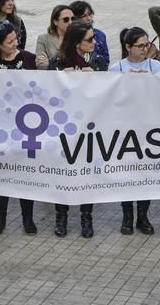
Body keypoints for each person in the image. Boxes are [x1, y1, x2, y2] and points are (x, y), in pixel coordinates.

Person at [0, 21, 38, 235]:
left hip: (28, 127)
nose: (15, 43)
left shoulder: (29, 59)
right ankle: (0, 218)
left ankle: (28, 218)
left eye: (16, 38)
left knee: (26, 173)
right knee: (0, 174)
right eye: (10, 41)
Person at [48, 21, 107, 237]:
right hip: (63, 128)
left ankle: (86, 217)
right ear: (76, 42)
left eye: (94, 38)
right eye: (90, 39)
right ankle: (60, 216)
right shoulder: (58, 62)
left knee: (86, 173)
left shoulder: (99, 62)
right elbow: (49, 95)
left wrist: (93, 78)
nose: (95, 42)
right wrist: (65, 78)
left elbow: (107, 92)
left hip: (90, 128)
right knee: (63, 173)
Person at [109, 27, 160, 235]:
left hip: (149, 129)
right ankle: (127, 216)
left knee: (145, 174)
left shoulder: (155, 66)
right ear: (128, 47)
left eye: (147, 45)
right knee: (126, 174)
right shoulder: (117, 68)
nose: (144, 49)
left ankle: (143, 216)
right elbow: (111, 97)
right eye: (140, 46)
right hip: (124, 129)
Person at [69, 0, 110, 67]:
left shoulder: (100, 35)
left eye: (90, 14)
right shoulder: (68, 35)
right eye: (84, 16)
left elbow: (106, 60)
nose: (89, 18)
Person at [35, 5, 74, 70]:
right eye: (66, 19)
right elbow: (40, 65)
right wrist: (54, 67)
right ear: (55, 21)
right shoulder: (43, 39)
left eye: (73, 19)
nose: (70, 22)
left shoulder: (79, 38)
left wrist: (49, 62)